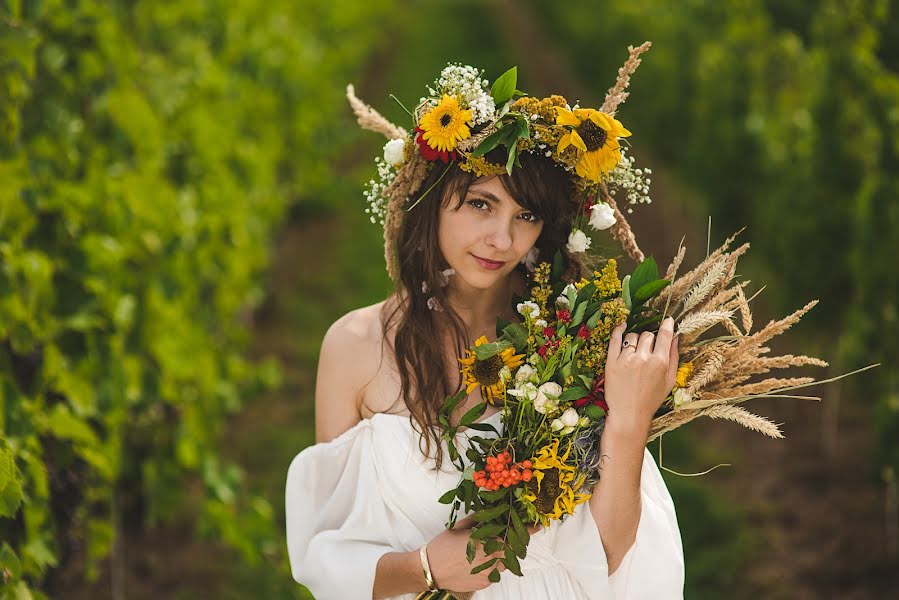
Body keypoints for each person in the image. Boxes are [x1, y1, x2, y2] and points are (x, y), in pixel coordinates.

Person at [286, 58, 684, 599]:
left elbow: (611, 549)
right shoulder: (354, 347)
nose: (502, 238)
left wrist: (631, 418)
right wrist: (427, 569)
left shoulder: (574, 335)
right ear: (432, 204)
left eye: (526, 216)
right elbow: (326, 553)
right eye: (481, 204)